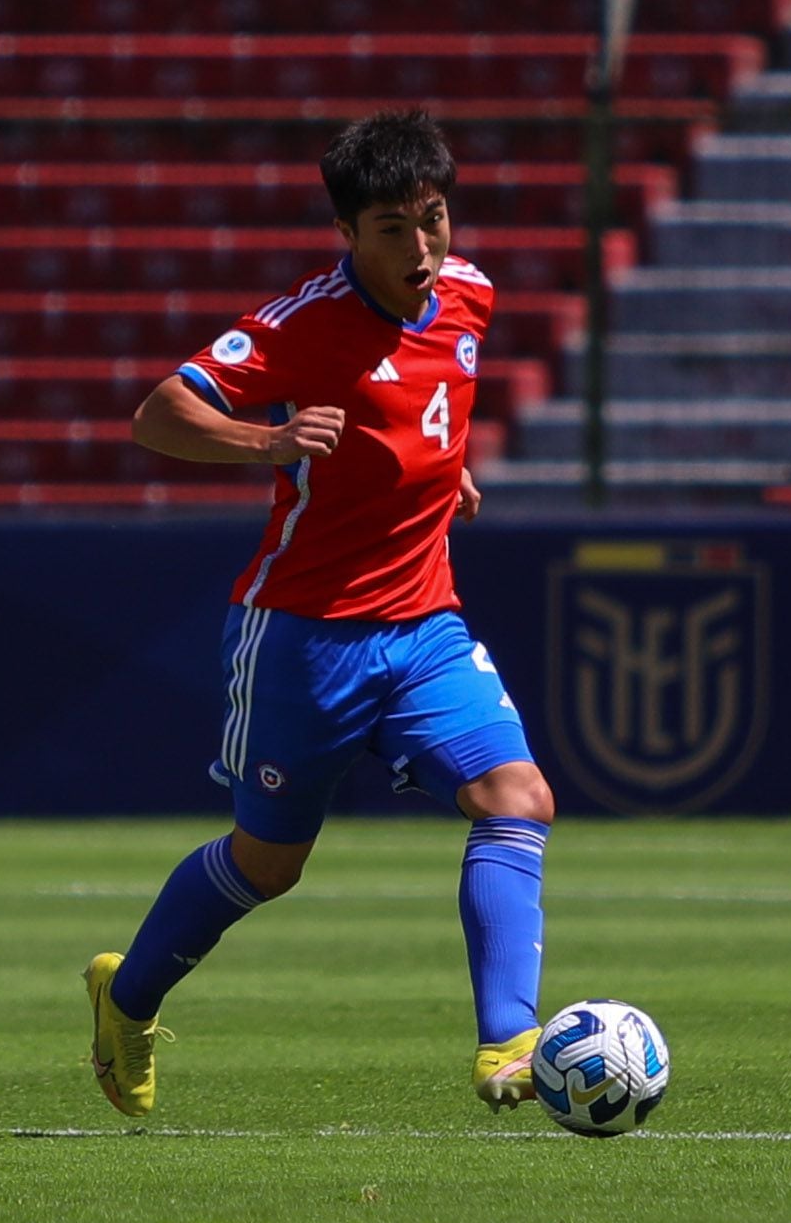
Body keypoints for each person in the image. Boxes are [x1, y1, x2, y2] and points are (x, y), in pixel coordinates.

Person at [86, 107, 556, 1118]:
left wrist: (445, 474)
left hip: (426, 623)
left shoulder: (469, 295)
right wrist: (269, 443)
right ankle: (124, 997)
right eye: (391, 226)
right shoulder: (300, 323)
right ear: (347, 234)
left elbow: (429, 413)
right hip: (301, 634)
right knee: (268, 860)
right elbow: (157, 412)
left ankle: (507, 1043)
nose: (420, 246)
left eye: (432, 218)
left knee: (516, 797)